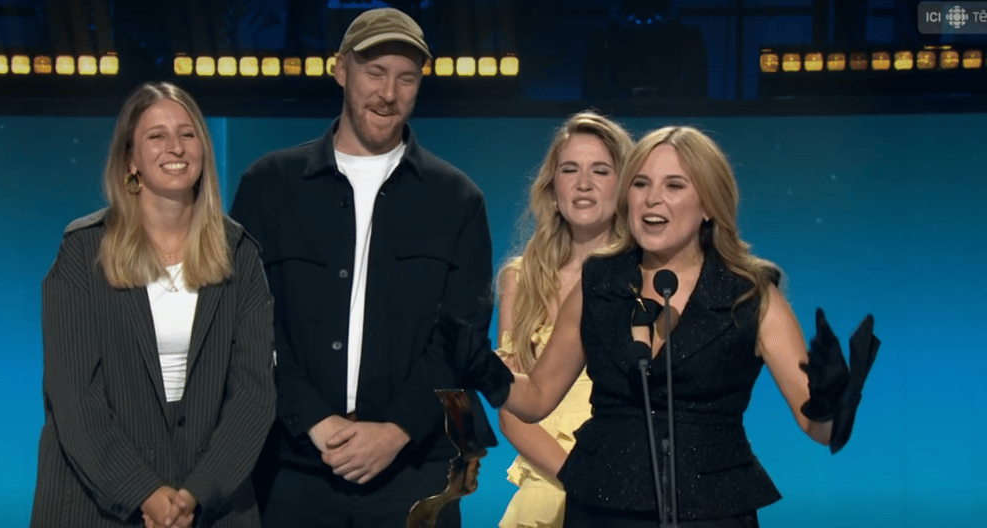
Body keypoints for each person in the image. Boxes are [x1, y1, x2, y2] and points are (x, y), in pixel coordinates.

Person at [459, 126, 878, 527]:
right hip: (601, 507)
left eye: (674, 186)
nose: (651, 199)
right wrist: (482, 366)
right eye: (640, 184)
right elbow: (534, 399)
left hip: (711, 510)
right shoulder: (599, 285)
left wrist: (833, 402)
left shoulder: (751, 296)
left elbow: (819, 430)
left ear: (709, 204)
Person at [229, 7, 493, 527]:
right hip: (292, 465)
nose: (388, 93)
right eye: (375, 73)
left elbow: (460, 335)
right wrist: (314, 420)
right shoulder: (269, 185)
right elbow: (248, 323)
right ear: (340, 70)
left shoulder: (457, 198)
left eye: (406, 77)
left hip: (415, 472)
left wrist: (394, 430)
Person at [31, 82, 276, 528]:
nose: (175, 147)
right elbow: (73, 396)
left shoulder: (239, 253)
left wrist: (196, 494)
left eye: (187, 133)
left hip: (209, 502)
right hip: (97, 501)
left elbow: (254, 395)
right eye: (156, 136)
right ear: (130, 158)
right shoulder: (83, 252)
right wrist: (143, 492)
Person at [495, 111, 633, 528]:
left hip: (627, 487)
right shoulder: (520, 280)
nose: (584, 183)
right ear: (553, 189)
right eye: (570, 169)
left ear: (624, 186)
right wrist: (580, 478)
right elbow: (511, 407)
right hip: (547, 489)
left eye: (601, 170)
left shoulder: (647, 280)